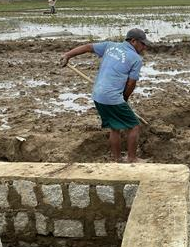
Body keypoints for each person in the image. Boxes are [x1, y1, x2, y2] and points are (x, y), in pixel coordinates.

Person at [59, 28, 151, 163]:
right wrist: (124, 99)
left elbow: (87, 47)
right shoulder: (136, 59)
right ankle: (132, 158)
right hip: (112, 97)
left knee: (115, 127)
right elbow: (131, 84)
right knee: (134, 126)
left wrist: (68, 55)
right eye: (142, 44)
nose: (144, 47)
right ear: (133, 41)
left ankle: (117, 158)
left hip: (98, 95)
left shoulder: (110, 46)